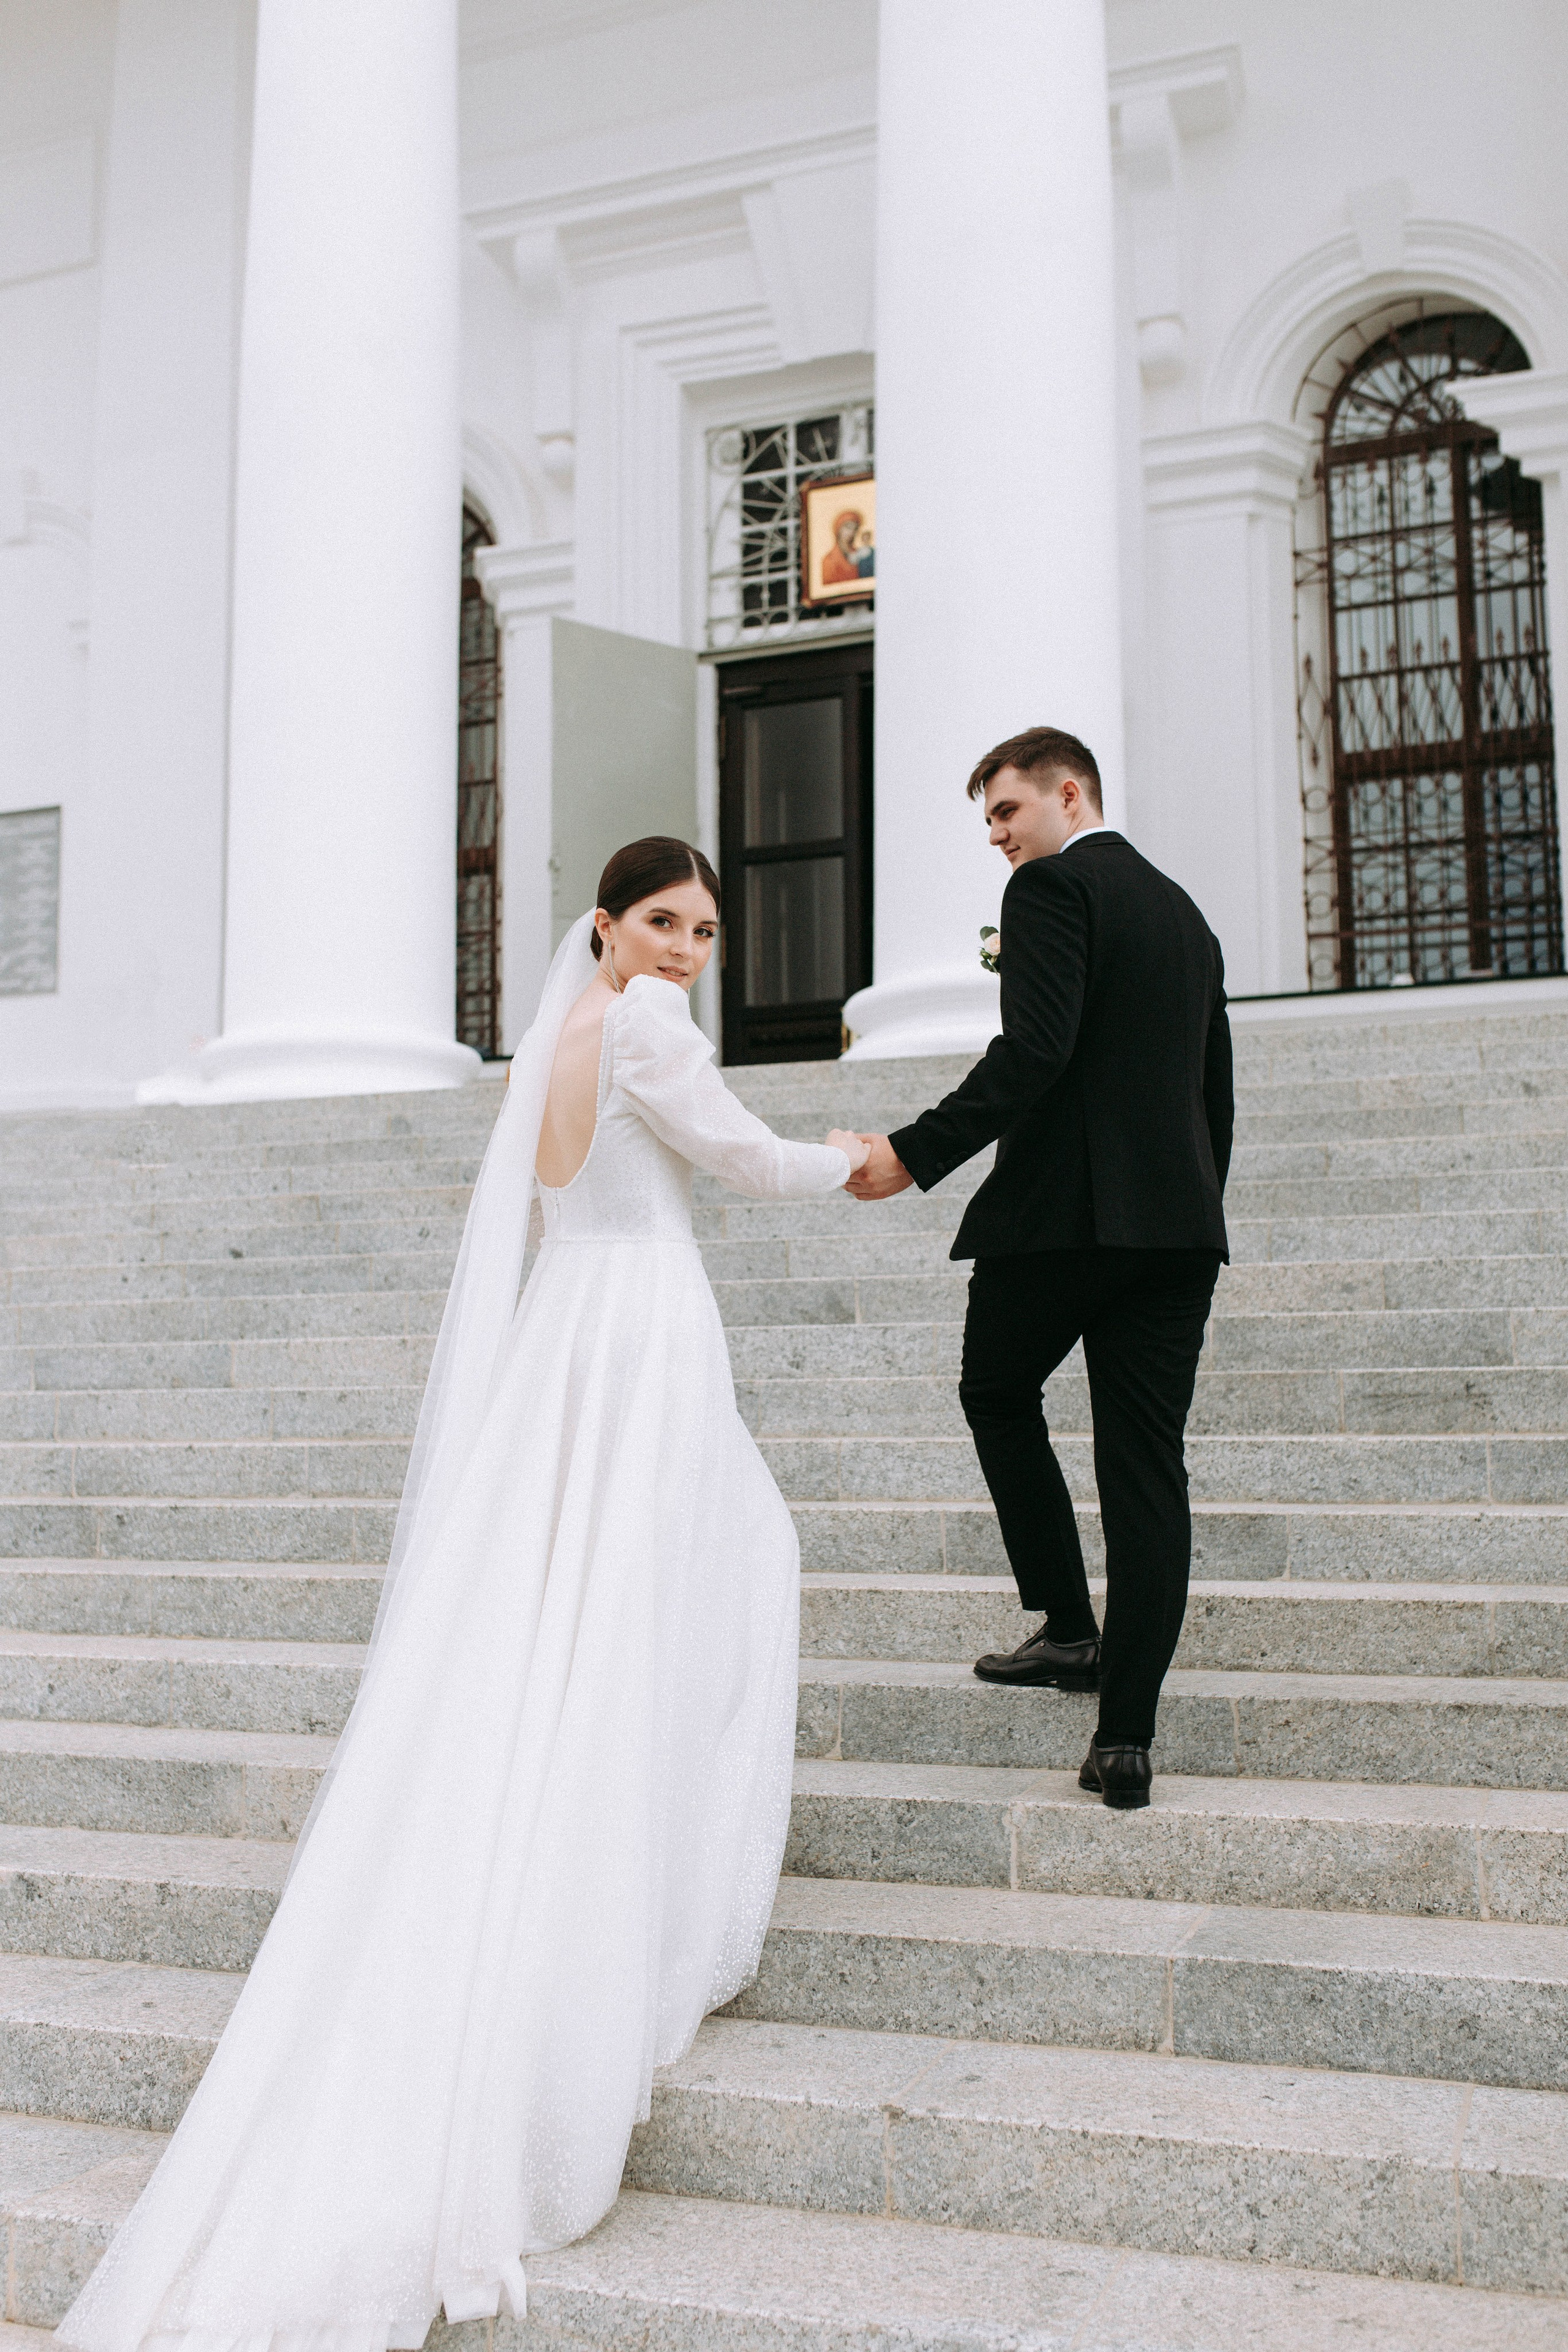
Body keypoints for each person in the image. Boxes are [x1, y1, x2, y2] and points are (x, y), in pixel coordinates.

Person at [58, 837, 868, 2352]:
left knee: (604, 1585)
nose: (689, 947)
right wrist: (859, 1161)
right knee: (699, 1569)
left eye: (702, 928)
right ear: (607, 929)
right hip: (636, 1327)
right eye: (663, 923)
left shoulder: (556, 1033)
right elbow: (741, 1158)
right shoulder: (641, 1024)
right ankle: (629, 1864)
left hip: (571, 1324)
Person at [846, 728, 1232, 1812]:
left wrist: (911, 1153)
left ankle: (1069, 1627)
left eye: (1008, 813)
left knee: (995, 1392)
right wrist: (1196, 1208)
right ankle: (1126, 1738)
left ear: (1071, 793)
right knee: (1147, 1467)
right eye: (989, 824)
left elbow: (1035, 1052)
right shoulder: (1187, 915)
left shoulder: (1053, 891)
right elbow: (1216, 1089)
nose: (1000, 838)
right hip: (1174, 1233)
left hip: (1062, 1224)